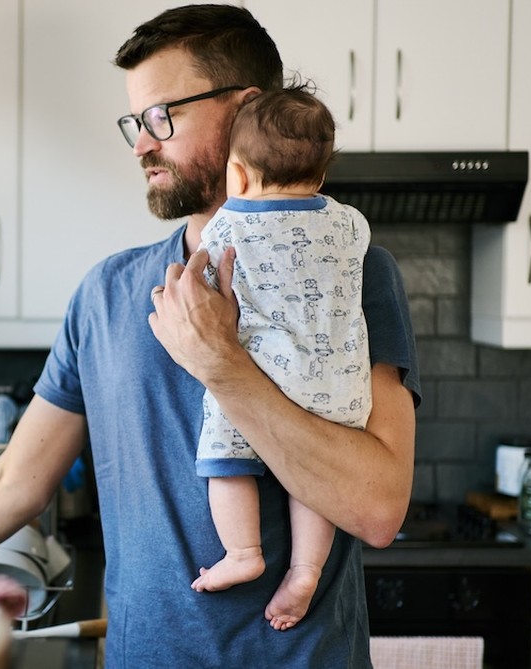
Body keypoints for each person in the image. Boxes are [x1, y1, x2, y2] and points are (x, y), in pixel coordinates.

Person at [0, 5, 419, 666]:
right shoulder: (106, 295)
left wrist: (225, 367)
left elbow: (378, 509)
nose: (142, 143)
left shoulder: (353, 273)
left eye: (163, 116)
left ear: (245, 109)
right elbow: (12, 485)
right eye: (135, 122)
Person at [189, 84, 372, 635]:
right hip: (338, 385)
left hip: (258, 381)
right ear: (319, 176)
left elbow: (202, 289)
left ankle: (244, 551)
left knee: (224, 459)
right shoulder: (350, 224)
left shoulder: (227, 226)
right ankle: (306, 568)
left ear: (238, 176)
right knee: (312, 481)